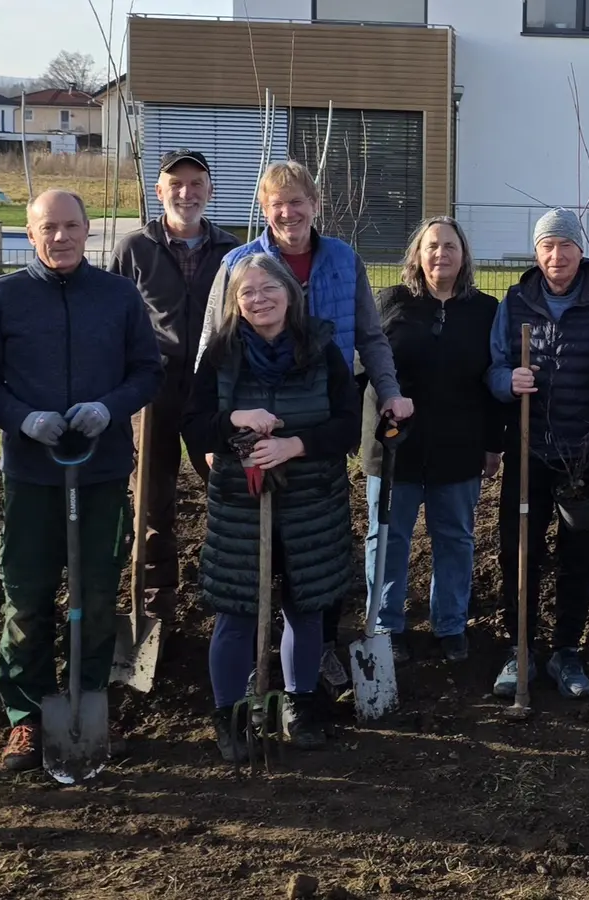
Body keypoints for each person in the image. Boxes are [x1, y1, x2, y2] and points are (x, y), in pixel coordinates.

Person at [194, 160, 409, 695]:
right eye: (276, 204)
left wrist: (389, 391)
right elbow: (210, 349)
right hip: (248, 433)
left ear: (315, 204)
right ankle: (252, 669)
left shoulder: (343, 260)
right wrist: (213, 438)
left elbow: (369, 336)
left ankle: (313, 663)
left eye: (297, 201)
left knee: (316, 558)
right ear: (264, 211)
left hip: (319, 423)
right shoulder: (239, 265)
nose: (288, 212)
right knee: (248, 567)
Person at [0, 190, 163, 771]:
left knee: (97, 594)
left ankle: (91, 701)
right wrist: (23, 419)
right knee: (27, 598)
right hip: (32, 474)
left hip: (101, 472)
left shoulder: (117, 295)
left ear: (88, 231)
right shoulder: (4, 298)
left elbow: (147, 370)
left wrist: (109, 407)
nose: (61, 237)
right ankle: (25, 720)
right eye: (48, 228)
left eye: (71, 226)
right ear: (30, 234)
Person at [183, 254, 359, 757]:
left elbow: (348, 422)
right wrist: (233, 416)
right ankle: (230, 714)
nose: (258, 300)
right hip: (241, 507)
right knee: (237, 613)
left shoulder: (321, 349)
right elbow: (193, 424)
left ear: (289, 294)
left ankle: (300, 704)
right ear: (235, 302)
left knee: (305, 608)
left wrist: (294, 445)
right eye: (247, 293)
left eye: (268, 289)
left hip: (312, 505)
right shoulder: (220, 355)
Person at [488, 208, 589, 700]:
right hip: (526, 452)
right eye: (547, 246)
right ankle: (520, 648)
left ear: (580, 249)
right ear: (537, 252)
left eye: (565, 245)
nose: (557, 256)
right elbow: (493, 368)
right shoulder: (514, 302)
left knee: (579, 555)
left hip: (582, 455)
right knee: (519, 551)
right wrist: (508, 382)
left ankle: (566, 650)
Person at [362, 217, 504, 664]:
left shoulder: (485, 310)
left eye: (450, 246)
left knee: (456, 537)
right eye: (431, 246)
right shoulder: (390, 303)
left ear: (464, 257)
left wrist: (493, 443)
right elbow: (361, 367)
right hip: (393, 445)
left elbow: (492, 378)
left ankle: (450, 625)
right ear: (416, 255)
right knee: (387, 537)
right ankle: (386, 624)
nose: (440, 254)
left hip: (459, 444)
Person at [107, 149, 242, 620]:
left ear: (210, 190)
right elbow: (115, 320)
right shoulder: (134, 249)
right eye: (176, 184)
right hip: (153, 390)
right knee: (151, 500)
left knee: (229, 489)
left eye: (196, 183)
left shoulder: (232, 250)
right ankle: (155, 606)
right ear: (160, 191)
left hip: (214, 390)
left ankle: (229, 593)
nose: (187, 193)